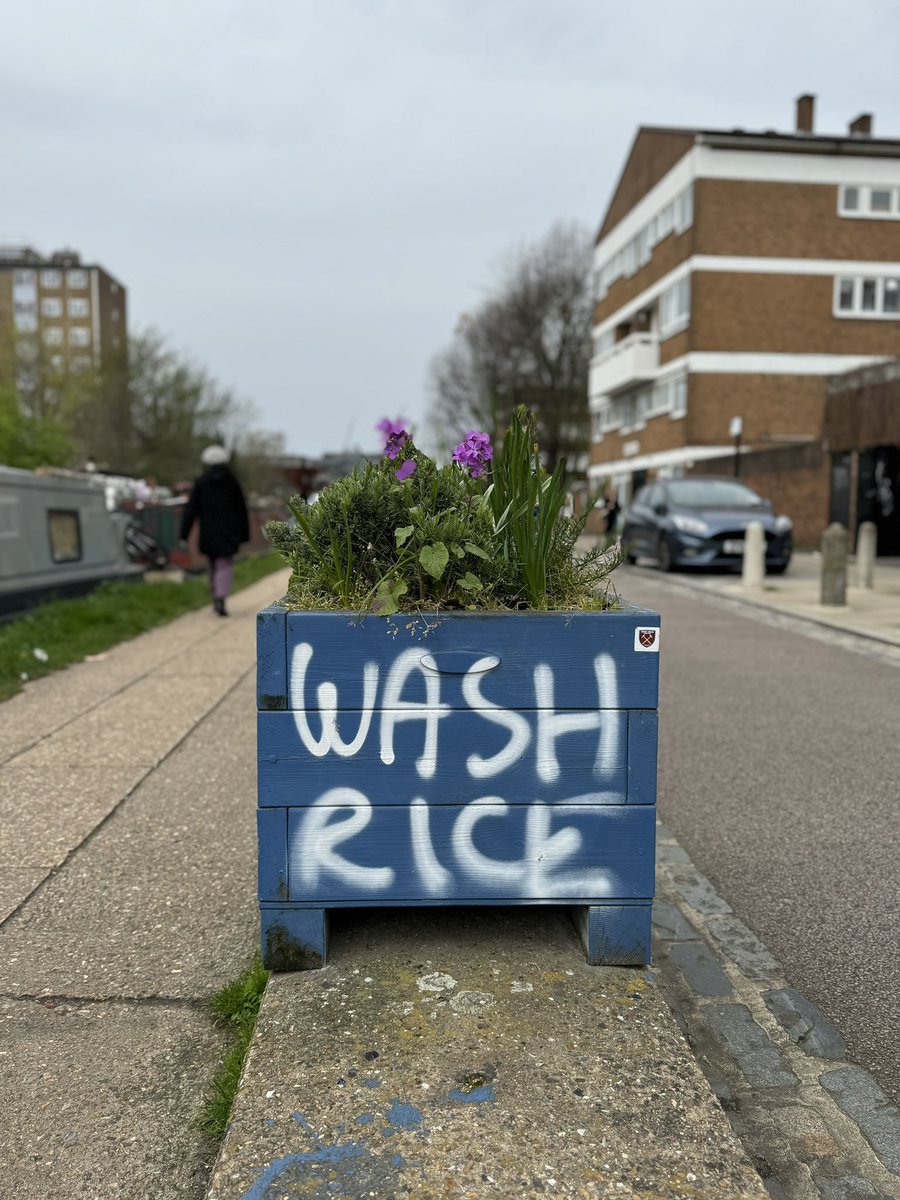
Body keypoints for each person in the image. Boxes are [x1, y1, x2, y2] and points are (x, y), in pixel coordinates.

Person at [179, 445, 250, 616]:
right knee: (224, 564)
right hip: (229, 532)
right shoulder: (232, 482)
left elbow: (191, 510)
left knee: (212, 563)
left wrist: (184, 534)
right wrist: (244, 534)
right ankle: (221, 597)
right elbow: (241, 509)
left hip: (208, 532)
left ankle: (216, 595)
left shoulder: (201, 482)